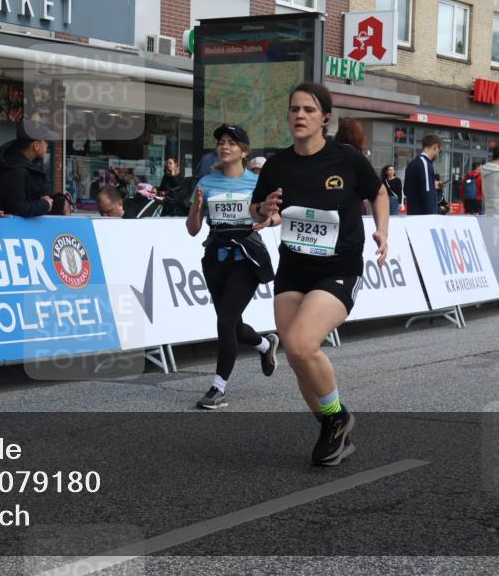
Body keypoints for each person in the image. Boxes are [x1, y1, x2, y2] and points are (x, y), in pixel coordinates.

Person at [251, 82, 388, 467]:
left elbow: (378, 192)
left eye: (309, 110)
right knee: (297, 358)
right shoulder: (277, 164)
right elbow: (258, 213)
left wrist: (382, 230)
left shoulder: (346, 159)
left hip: (338, 268)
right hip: (293, 268)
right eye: (294, 109)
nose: (299, 115)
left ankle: (338, 417)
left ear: (325, 118)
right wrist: (265, 211)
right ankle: (332, 424)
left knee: (299, 344)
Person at [187, 124, 279, 410]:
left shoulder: (257, 183)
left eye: (232, 142)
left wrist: (267, 221)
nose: (225, 146)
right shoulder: (206, 183)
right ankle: (265, 345)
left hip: (247, 258)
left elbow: (276, 217)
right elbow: (193, 230)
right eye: (222, 142)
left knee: (226, 320)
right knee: (233, 323)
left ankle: (218, 387)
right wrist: (196, 207)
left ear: (244, 150)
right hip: (216, 257)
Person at [0, 119, 58, 217]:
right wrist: (45, 205)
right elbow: (19, 209)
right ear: (36, 145)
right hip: (9, 231)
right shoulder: (15, 171)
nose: (47, 145)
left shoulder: (28, 168)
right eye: (45, 142)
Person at [403, 133, 442, 215]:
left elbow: (406, 190)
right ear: (435, 147)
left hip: (413, 214)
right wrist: (432, 216)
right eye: (440, 150)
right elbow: (427, 192)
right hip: (424, 217)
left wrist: (432, 185)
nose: (439, 154)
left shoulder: (413, 163)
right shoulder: (425, 163)